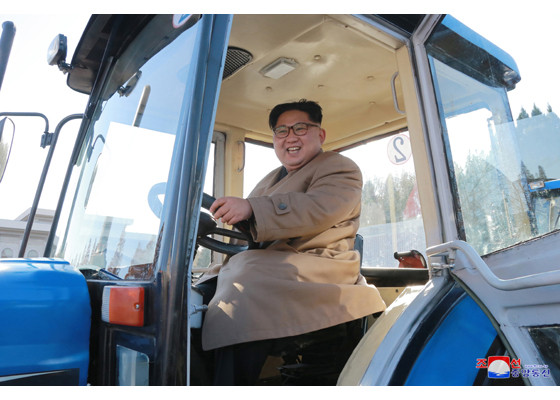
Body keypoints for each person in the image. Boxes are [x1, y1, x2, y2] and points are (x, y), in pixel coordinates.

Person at [197, 99, 386, 385]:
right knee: (199, 290)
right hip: (275, 265)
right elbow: (256, 227)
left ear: (320, 134)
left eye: (300, 128)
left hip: (320, 265)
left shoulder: (340, 168)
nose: (290, 137)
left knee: (244, 280)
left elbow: (317, 209)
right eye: (282, 131)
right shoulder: (270, 179)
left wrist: (251, 208)